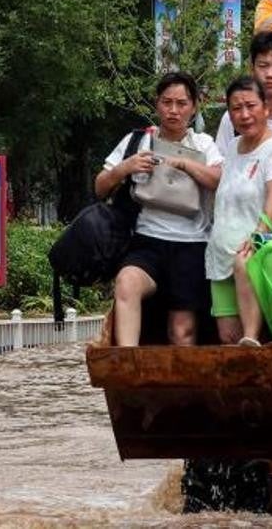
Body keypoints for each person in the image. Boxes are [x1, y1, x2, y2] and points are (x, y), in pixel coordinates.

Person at [95, 72, 224, 346]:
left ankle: (182, 386)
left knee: (181, 331)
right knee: (126, 282)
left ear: (194, 106)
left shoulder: (204, 144)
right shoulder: (137, 141)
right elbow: (100, 187)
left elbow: (217, 181)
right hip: (147, 241)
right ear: (157, 104)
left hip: (192, 245)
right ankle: (127, 366)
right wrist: (126, 167)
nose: (174, 111)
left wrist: (185, 164)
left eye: (181, 103)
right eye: (167, 102)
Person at [205, 76, 272, 346]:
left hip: (258, 255)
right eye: (236, 108)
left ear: (266, 108)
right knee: (227, 338)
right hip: (222, 257)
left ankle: (252, 338)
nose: (244, 114)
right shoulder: (233, 148)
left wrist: (257, 238)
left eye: (251, 106)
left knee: (257, 341)